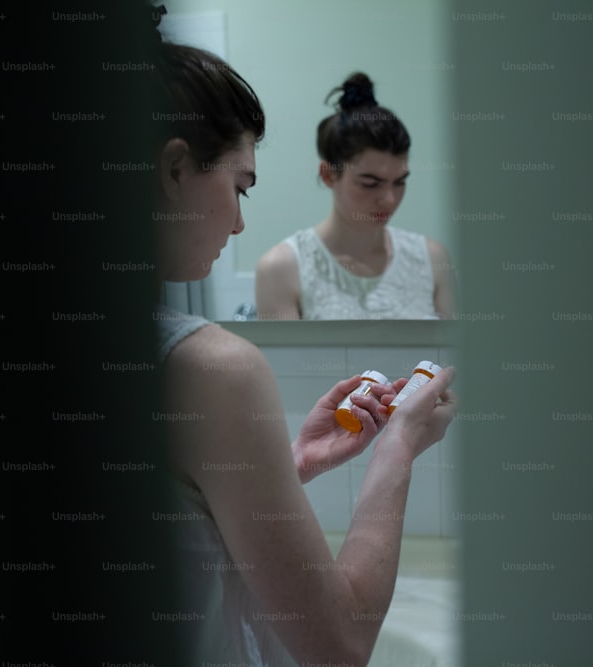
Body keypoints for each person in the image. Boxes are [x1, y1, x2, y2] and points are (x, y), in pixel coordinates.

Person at [152, 30, 457, 667]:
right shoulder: (213, 368)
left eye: (401, 183)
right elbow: (339, 646)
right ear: (174, 169)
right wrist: (398, 446)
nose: (239, 220)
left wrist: (285, 465)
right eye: (240, 187)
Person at [254, 72, 457, 320]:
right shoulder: (282, 268)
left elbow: (456, 357)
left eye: (400, 182)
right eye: (370, 184)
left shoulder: (432, 259)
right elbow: (285, 360)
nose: (389, 199)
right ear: (329, 175)